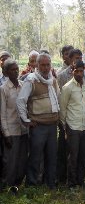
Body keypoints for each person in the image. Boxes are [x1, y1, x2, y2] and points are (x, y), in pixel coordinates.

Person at [16, 52, 60, 189]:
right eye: (43, 65)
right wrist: (26, 120)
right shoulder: (31, 80)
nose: (46, 68)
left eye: (48, 65)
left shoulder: (52, 80)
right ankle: (32, 185)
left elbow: (58, 99)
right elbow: (20, 101)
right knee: (35, 157)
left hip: (52, 125)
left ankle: (50, 183)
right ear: (37, 65)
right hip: (38, 126)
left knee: (52, 156)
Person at [59, 60, 85, 187]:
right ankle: (71, 183)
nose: (79, 73)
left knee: (83, 156)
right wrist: (65, 128)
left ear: (84, 71)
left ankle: (80, 181)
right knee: (73, 157)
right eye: (76, 71)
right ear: (72, 71)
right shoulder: (67, 88)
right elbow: (63, 109)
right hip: (72, 127)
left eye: (81, 71)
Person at [57, 48, 83, 183]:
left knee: (77, 152)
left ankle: (77, 178)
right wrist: (63, 124)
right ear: (70, 60)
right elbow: (62, 102)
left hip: (79, 120)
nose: (77, 60)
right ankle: (63, 178)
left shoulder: (84, 75)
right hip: (66, 121)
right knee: (65, 150)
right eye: (75, 58)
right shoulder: (62, 76)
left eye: (80, 58)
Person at [0, 59, 28, 187]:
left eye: (17, 69)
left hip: (23, 129)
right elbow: (2, 114)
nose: (16, 71)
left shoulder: (23, 85)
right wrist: (6, 134)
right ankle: (8, 186)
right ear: (5, 72)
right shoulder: (3, 89)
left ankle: (17, 185)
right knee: (10, 161)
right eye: (12, 69)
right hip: (11, 131)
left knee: (22, 160)